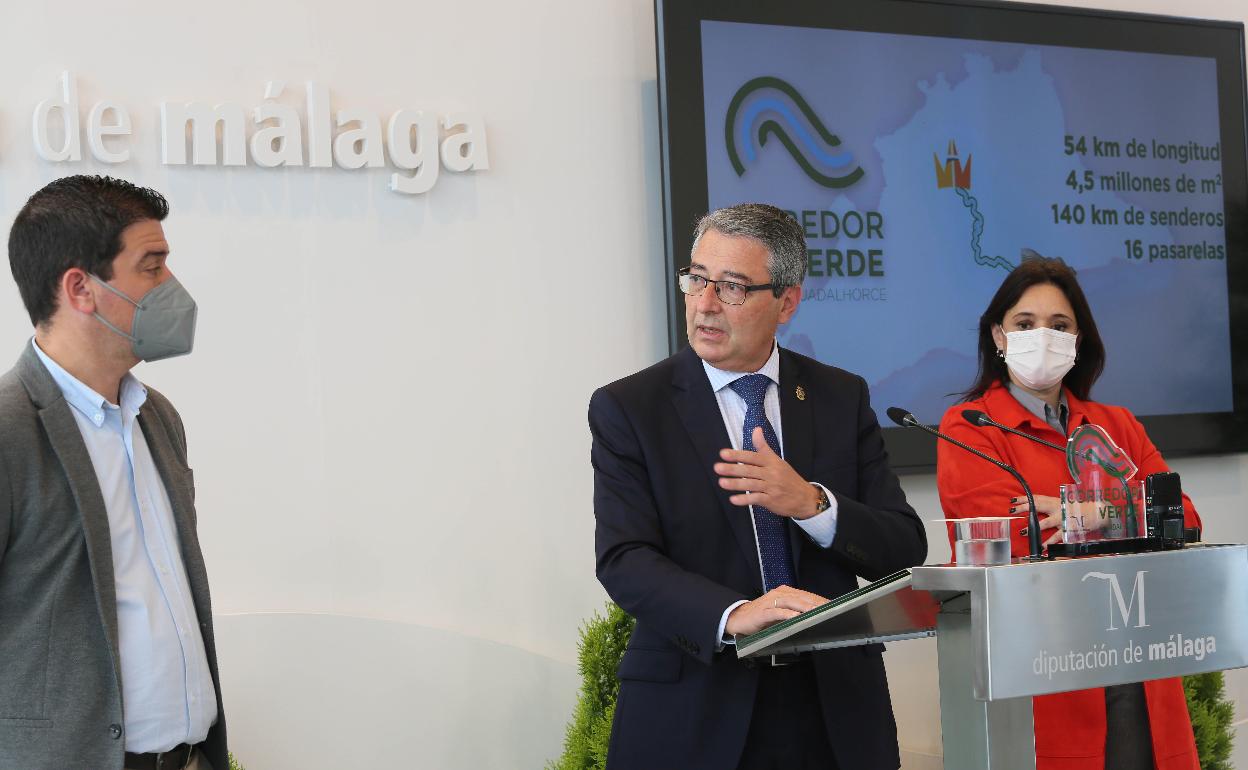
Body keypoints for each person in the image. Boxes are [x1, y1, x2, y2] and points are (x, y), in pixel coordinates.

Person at [590, 203, 927, 770]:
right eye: (697, 279)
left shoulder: (839, 397)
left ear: (787, 301)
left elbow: (902, 546)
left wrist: (812, 504)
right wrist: (735, 613)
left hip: (831, 710)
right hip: (698, 702)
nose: (705, 304)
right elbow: (624, 559)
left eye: (733, 287)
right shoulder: (631, 408)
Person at [936, 255, 1201, 770]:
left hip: (1135, 664)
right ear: (998, 335)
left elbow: (1184, 518)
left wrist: (1086, 514)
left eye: (1060, 326)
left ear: (1078, 341)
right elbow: (1012, 536)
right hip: (1043, 670)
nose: (1043, 337)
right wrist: (1128, 516)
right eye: (1025, 324)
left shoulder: (1116, 424)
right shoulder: (971, 425)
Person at [0, 176, 227, 770]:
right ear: (81, 288)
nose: (172, 287)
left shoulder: (158, 417)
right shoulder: (8, 431)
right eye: (151, 267)